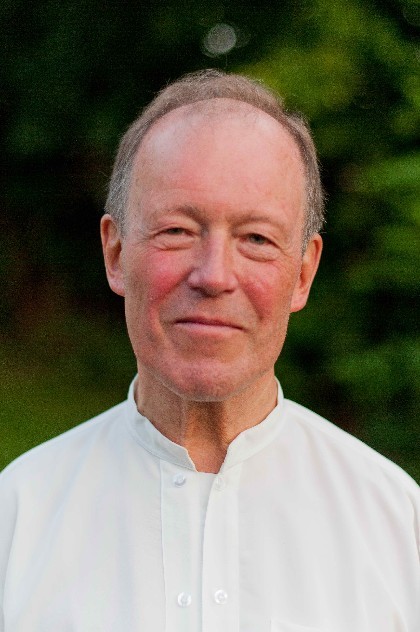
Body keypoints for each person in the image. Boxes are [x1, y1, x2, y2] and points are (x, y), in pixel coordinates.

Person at [0, 70, 418, 632]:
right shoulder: (17, 519)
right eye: (177, 230)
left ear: (303, 273)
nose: (214, 276)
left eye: (257, 239)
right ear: (116, 253)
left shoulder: (398, 527)